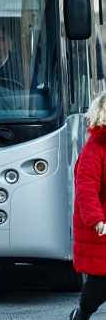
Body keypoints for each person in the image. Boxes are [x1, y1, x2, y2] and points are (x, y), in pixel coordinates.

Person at [71, 92, 106, 320]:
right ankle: (82, 313)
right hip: (101, 229)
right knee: (100, 283)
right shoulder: (95, 149)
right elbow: (85, 188)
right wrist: (97, 219)